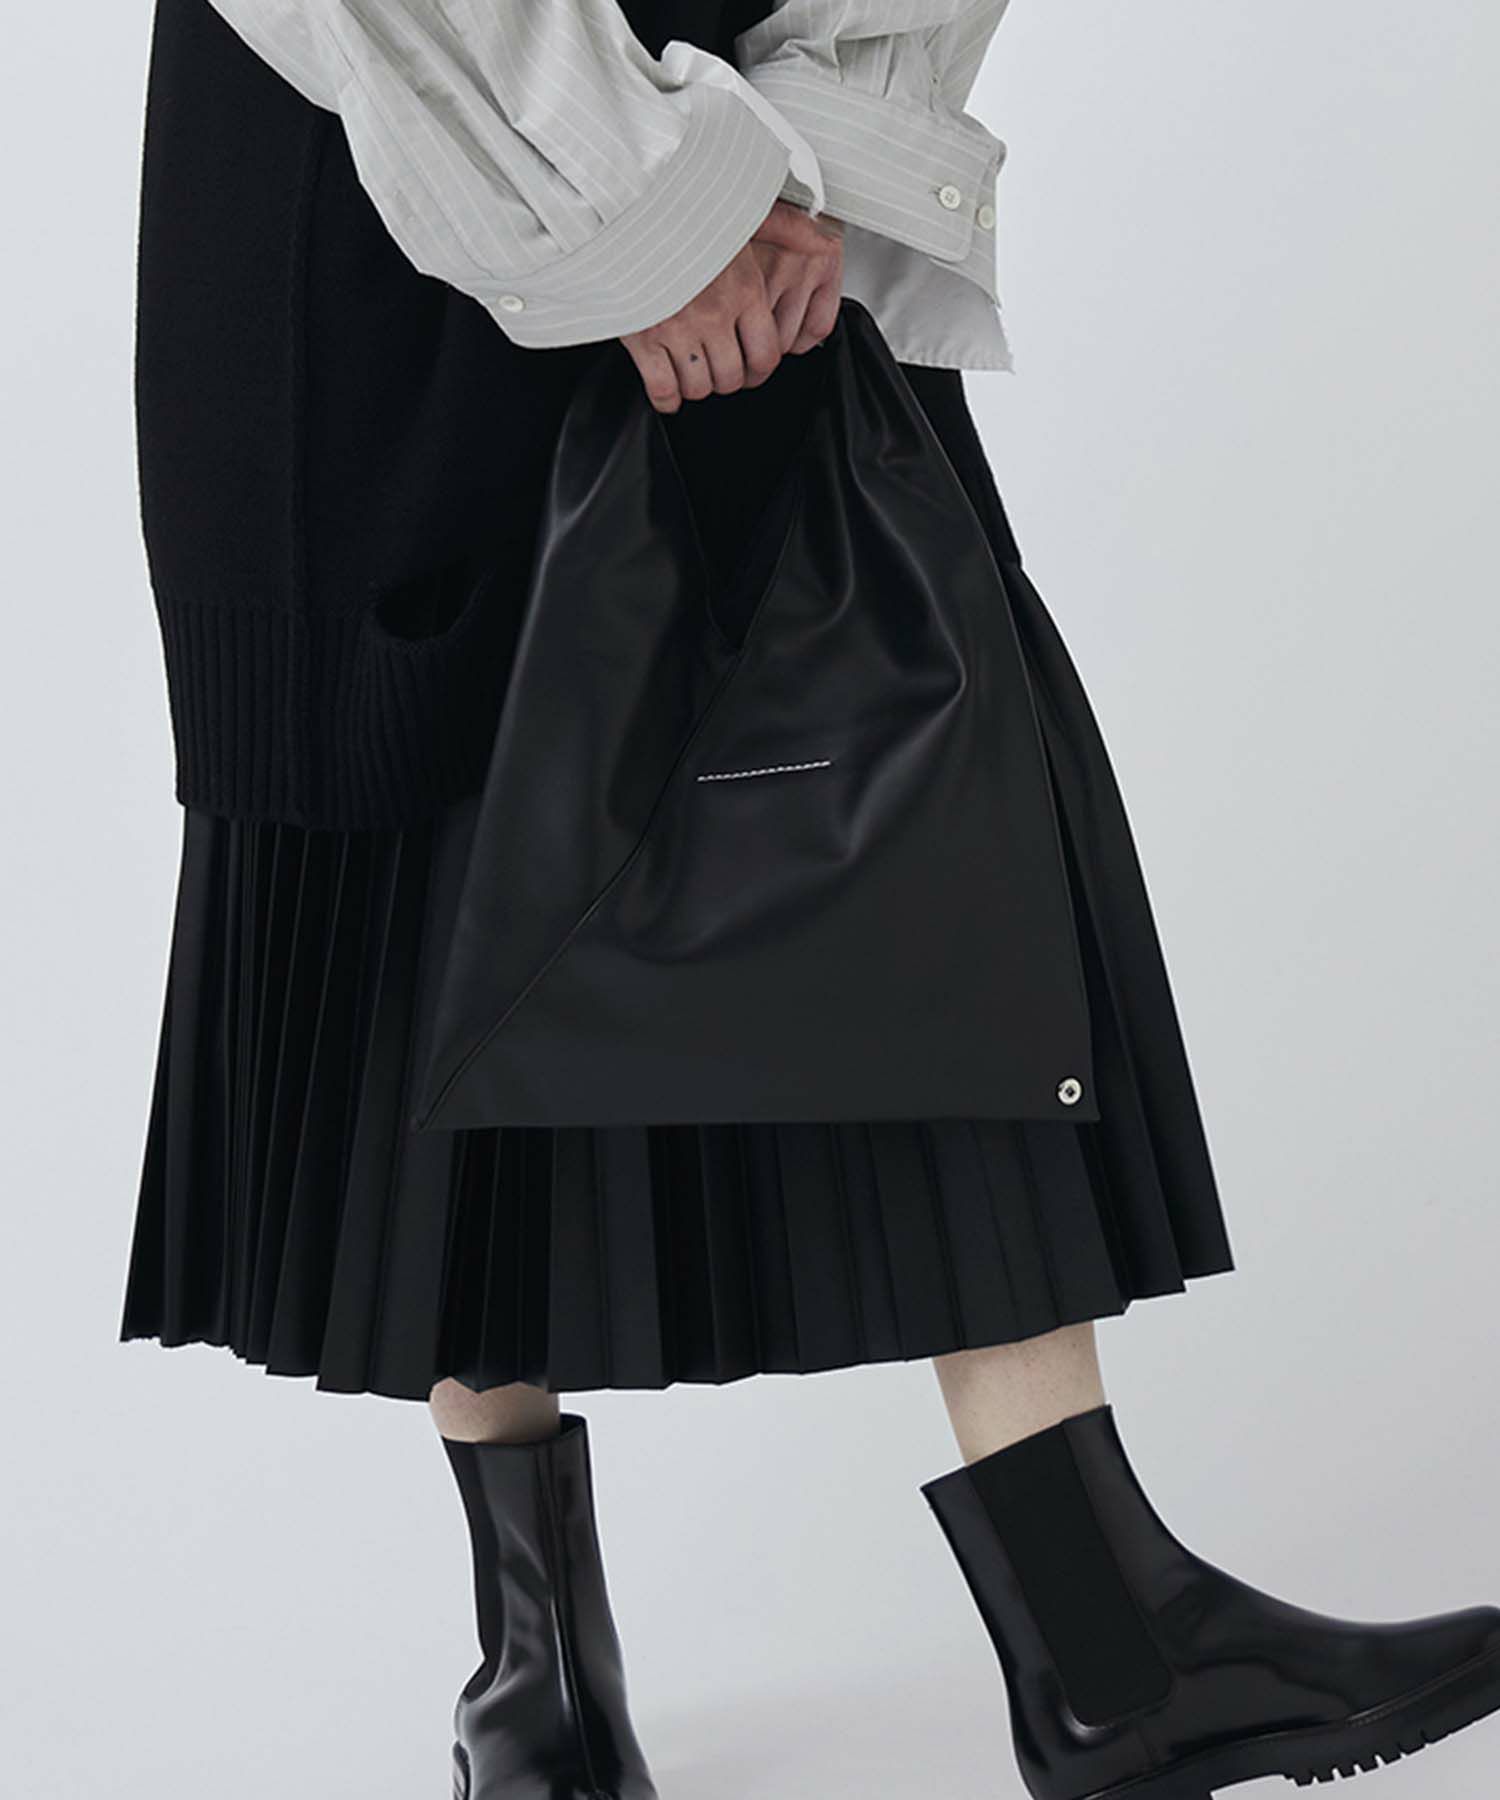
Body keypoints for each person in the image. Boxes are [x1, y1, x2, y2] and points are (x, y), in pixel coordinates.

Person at [120, 4, 1500, 1797]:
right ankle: (546, 1674)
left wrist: (798, 153)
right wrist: (635, 213)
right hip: (398, 145)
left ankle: (1100, 1650)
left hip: (758, 174)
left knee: (918, 798)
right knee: (434, 848)